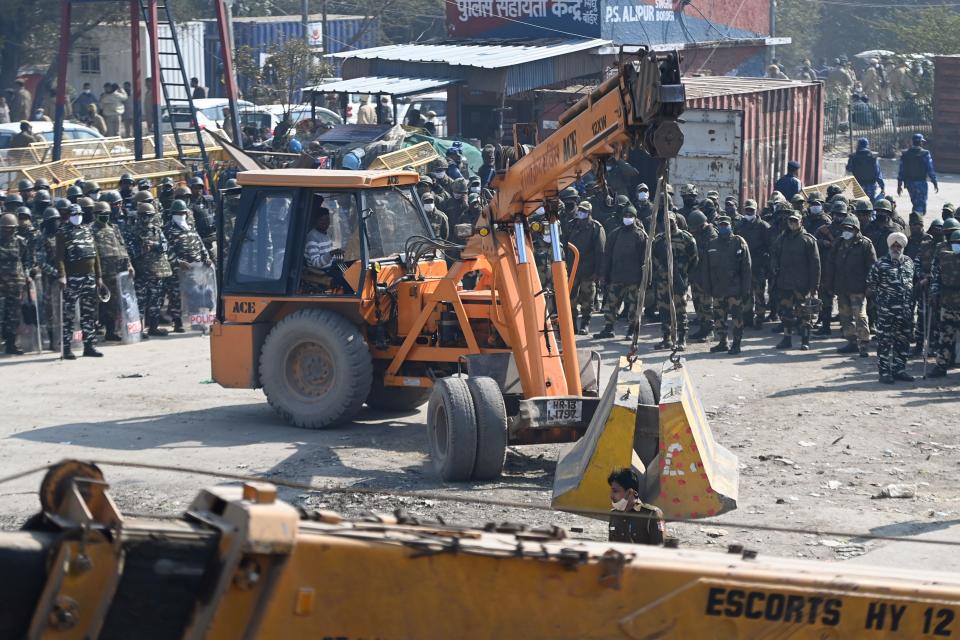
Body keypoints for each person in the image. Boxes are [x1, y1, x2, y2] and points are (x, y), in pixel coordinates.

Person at [56, 204, 104, 358]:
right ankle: (67, 347)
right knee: (69, 314)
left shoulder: (88, 230)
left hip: (89, 277)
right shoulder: (63, 232)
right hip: (72, 278)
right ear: (69, 215)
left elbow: (95, 255)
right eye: (74, 214)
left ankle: (89, 345)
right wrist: (62, 275)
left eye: (80, 214)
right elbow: (60, 257)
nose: (77, 217)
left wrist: (99, 277)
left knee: (89, 313)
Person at [866, 233, 915, 383]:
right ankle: (885, 372)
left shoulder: (909, 262)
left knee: (903, 342)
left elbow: (912, 283)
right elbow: (870, 288)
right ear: (889, 246)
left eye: (898, 246)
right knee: (885, 342)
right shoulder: (880, 264)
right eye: (893, 245)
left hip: (905, 311)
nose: (896, 248)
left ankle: (899, 369)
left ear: (903, 247)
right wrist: (880, 305)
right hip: (886, 312)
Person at [826, 215, 876, 358]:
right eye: (844, 228)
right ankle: (851, 342)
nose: (846, 231)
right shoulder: (839, 243)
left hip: (858, 288)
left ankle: (864, 343)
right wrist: (830, 284)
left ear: (856, 230)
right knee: (845, 316)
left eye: (849, 229)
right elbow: (830, 265)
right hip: (842, 287)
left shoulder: (865, 244)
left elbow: (872, 267)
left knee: (860, 316)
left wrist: (870, 286)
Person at [771, 209, 821, 351]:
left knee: (805, 313)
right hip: (785, 282)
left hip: (802, 284)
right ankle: (787, 339)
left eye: (795, 221)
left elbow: (815, 264)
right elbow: (774, 253)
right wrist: (774, 266)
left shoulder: (808, 240)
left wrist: (814, 285)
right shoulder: (783, 238)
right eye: (790, 221)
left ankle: (805, 340)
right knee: (786, 313)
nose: (792, 223)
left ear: (801, 222)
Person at [595, 207, 646, 340]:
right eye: (625, 215)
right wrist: (604, 275)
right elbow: (607, 256)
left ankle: (631, 330)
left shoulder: (640, 235)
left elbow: (645, 260)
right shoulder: (615, 234)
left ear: (635, 217)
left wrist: (646, 279)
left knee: (634, 307)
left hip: (634, 279)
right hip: (616, 277)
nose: (627, 218)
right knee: (611, 305)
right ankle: (608, 328)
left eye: (630, 215)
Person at [703, 216, 751, 355]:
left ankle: (736, 344)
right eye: (721, 225)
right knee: (719, 318)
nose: (723, 227)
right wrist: (707, 288)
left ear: (730, 226)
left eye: (726, 225)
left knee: (736, 318)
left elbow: (746, 268)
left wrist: (746, 289)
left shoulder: (739, 242)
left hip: (734, 290)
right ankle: (723, 342)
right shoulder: (712, 244)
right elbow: (706, 269)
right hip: (718, 290)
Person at [652, 212, 697, 350]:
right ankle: (667, 338)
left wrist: (684, 273)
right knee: (664, 310)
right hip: (663, 281)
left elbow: (694, 259)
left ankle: (681, 339)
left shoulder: (686, 238)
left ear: (675, 221)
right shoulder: (659, 240)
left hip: (679, 280)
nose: (669, 224)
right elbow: (653, 258)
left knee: (680, 311)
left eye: (671, 221)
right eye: (666, 221)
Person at [164, 200, 210, 333]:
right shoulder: (168, 229)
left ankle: (196, 321)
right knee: (176, 296)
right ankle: (177, 322)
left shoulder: (190, 226)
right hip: (178, 270)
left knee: (195, 294)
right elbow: (166, 250)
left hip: (195, 268)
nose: (181, 215)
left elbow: (199, 242)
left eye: (183, 212)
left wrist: (206, 257)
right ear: (173, 214)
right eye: (178, 213)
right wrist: (178, 262)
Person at [91, 201, 133, 341]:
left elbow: (123, 247)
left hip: (117, 271)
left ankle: (111, 331)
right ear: (95, 215)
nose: (105, 217)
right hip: (102, 272)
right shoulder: (91, 229)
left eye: (107, 214)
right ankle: (95, 330)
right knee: (100, 303)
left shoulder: (114, 228)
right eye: (102, 214)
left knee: (114, 303)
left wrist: (129, 265)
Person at [131, 202, 172, 338]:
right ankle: (140, 330)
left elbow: (165, 246)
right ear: (139, 216)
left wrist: (154, 245)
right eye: (143, 216)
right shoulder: (133, 231)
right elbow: (129, 251)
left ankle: (153, 328)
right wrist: (141, 249)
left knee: (156, 301)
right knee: (140, 303)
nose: (146, 219)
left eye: (149, 216)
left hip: (156, 272)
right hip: (141, 273)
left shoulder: (157, 230)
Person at [566, 201, 605, 335]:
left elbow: (600, 251)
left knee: (587, 299)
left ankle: (585, 324)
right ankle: (571, 324)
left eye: (584, 211)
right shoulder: (572, 225)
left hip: (588, 270)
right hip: (572, 269)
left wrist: (598, 273)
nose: (580, 213)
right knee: (570, 298)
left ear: (589, 213)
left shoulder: (596, 228)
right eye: (580, 210)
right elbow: (565, 244)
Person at [927, 229, 960, 379]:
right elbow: (936, 278)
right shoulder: (943, 257)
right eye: (955, 243)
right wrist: (934, 294)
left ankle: (942, 365)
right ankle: (941, 365)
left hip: (949, 303)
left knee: (946, 336)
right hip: (948, 304)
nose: (957, 246)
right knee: (945, 336)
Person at [735, 199, 770, 329]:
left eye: (752, 210)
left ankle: (760, 319)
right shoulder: (739, 225)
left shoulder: (764, 226)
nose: (749, 212)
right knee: (746, 294)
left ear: (756, 210)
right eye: (747, 210)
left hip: (758, 266)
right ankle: (747, 318)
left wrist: (766, 265)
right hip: (743, 267)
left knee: (759, 294)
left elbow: (769, 247)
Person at [607, 468, 665, 546]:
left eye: (615, 491)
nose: (611, 495)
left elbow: (660, 551)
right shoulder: (614, 514)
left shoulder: (651, 515)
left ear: (630, 492)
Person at [0, 213, 30, 355]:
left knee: (14, 315)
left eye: (11, 228)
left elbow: (27, 261)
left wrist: (28, 275)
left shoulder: (21, 242)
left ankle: (11, 344)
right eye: (5, 228)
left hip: (16, 284)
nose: (8, 231)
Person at [688, 209, 716, 341]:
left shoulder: (711, 235)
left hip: (707, 276)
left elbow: (710, 254)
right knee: (698, 303)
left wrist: (694, 250)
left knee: (706, 305)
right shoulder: (698, 234)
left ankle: (709, 330)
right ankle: (702, 328)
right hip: (696, 275)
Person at [898, 133, 938, 215]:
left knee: (915, 203)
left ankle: (916, 221)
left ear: (913, 142)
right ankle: (917, 223)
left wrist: (899, 185)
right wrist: (934, 182)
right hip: (921, 183)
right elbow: (930, 169)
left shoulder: (906, 154)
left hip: (910, 183)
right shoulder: (925, 154)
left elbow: (901, 171)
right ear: (920, 142)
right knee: (920, 205)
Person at [188, 176, 217, 261]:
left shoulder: (208, 200)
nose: (198, 190)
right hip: (201, 237)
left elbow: (216, 213)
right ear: (191, 189)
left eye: (200, 187)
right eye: (195, 188)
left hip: (213, 234)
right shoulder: (189, 204)